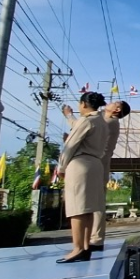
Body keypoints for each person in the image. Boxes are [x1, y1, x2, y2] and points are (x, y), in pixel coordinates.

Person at [65, 100, 131, 252]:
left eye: (114, 103)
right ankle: (91, 239)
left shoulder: (109, 121)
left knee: (94, 203)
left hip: (96, 164)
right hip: (97, 164)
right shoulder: (104, 119)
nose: (109, 103)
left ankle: (96, 239)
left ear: (117, 109)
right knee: (92, 202)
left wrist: (70, 116)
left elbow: (85, 127)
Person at [57, 92, 109, 263]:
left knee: (77, 208)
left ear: (84, 104)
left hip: (80, 164)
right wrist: (70, 116)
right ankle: (85, 247)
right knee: (87, 208)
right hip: (96, 164)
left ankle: (77, 248)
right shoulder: (102, 122)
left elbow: (70, 145)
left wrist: (61, 167)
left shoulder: (86, 120)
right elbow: (78, 126)